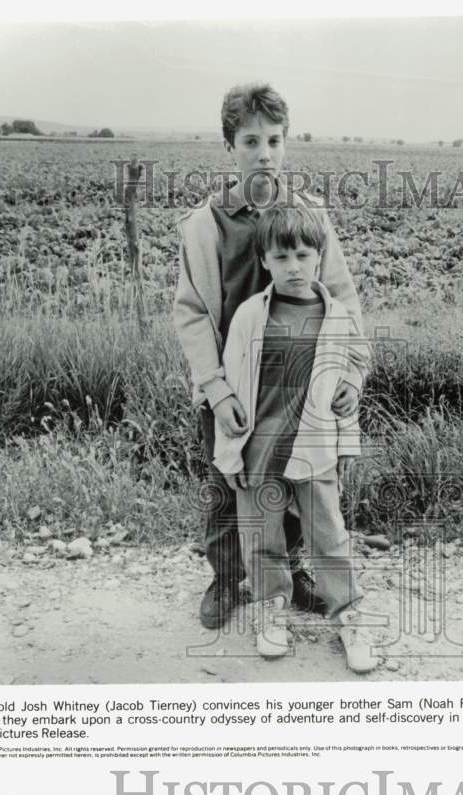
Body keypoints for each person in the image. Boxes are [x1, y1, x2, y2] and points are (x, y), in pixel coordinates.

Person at [172, 82, 367, 630]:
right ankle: (227, 574)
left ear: (286, 144)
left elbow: (344, 299)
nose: (264, 153)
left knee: (299, 476)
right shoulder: (207, 223)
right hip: (232, 386)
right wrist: (215, 388)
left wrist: (351, 369)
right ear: (230, 145)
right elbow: (191, 313)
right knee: (228, 481)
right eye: (251, 140)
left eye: (275, 140)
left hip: (299, 382)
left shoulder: (308, 217)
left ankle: (290, 573)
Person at [213, 205, 378, 673]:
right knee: (262, 538)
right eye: (281, 257)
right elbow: (234, 387)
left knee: (329, 536)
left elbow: (345, 390)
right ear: (264, 260)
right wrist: (232, 455)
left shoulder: (337, 317)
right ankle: (272, 606)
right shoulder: (249, 316)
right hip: (260, 449)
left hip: (316, 449)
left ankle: (348, 613)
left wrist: (347, 444)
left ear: (320, 258)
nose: (293, 267)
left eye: (304, 255)